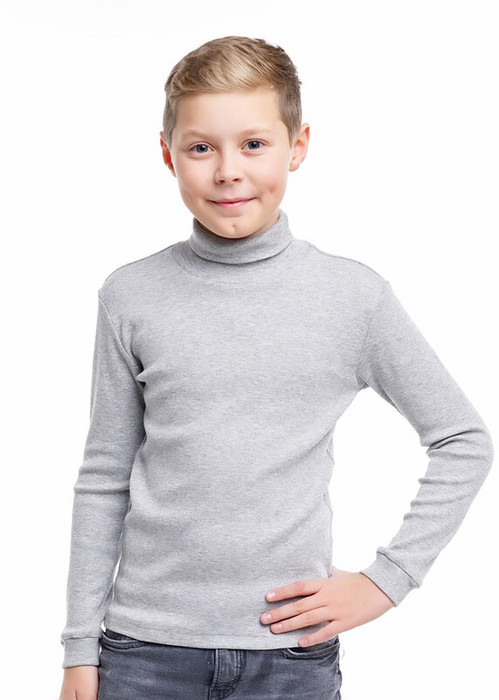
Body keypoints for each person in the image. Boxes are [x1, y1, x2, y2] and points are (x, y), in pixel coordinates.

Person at [58, 35, 493, 700]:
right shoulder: (130, 295)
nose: (228, 171)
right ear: (168, 154)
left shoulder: (352, 298)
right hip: (144, 653)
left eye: (253, 144)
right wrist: (78, 651)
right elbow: (104, 476)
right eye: (201, 148)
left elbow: (462, 440)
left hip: (289, 656)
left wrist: (386, 581)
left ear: (298, 145)